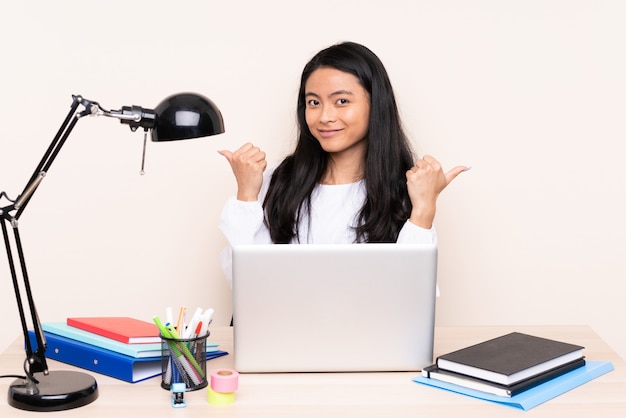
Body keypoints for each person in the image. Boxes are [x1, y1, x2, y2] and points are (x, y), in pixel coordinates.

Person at [218, 41, 468, 285]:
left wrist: (423, 209)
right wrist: (246, 196)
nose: (325, 117)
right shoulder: (278, 181)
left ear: (376, 104)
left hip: (371, 327)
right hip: (289, 327)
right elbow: (246, 283)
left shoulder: (407, 187)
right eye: (314, 102)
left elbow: (410, 293)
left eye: (342, 101)